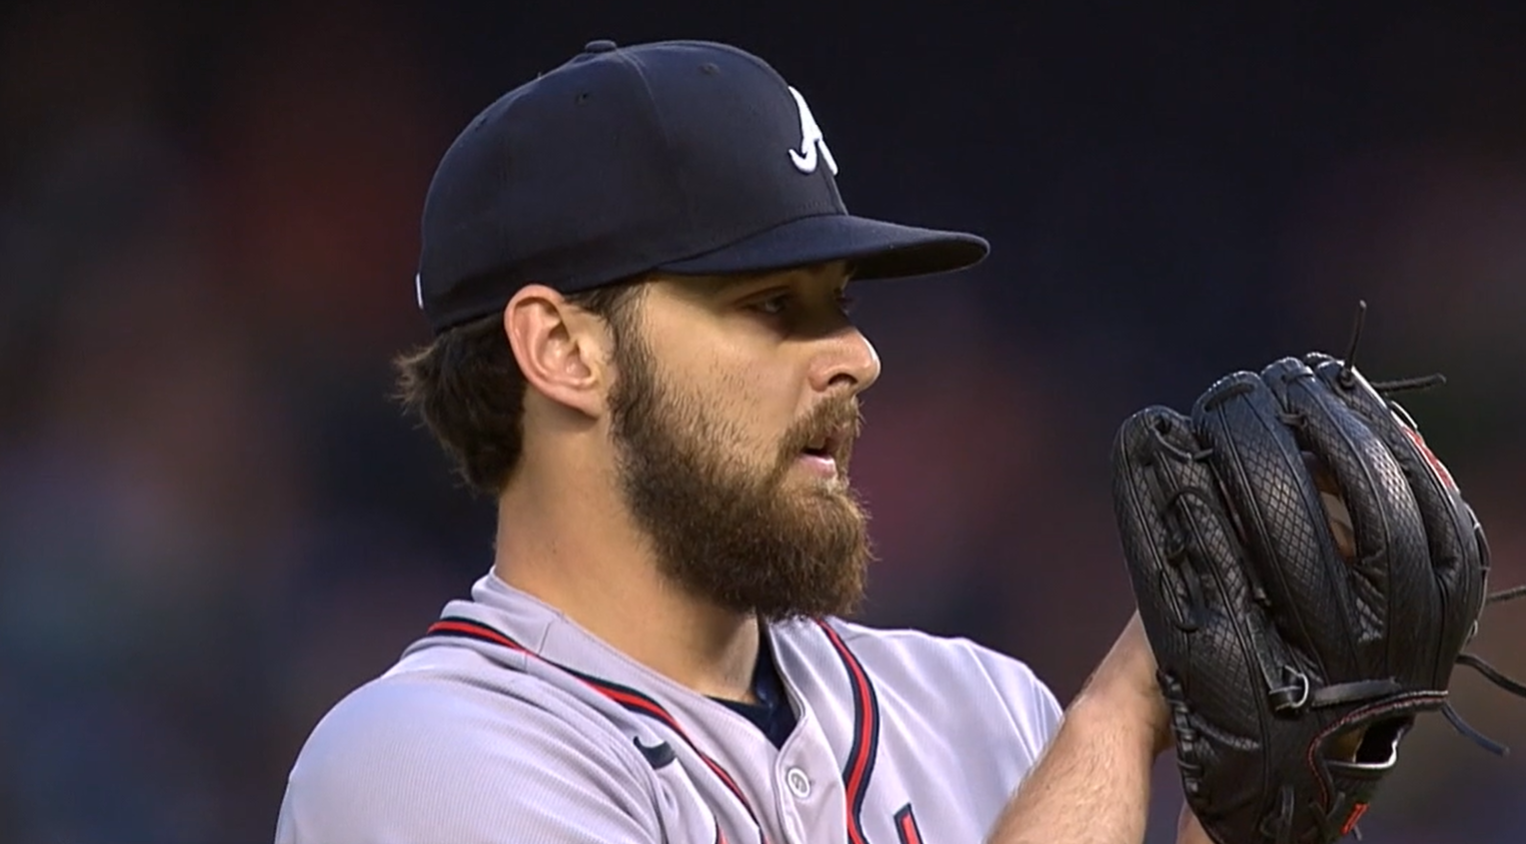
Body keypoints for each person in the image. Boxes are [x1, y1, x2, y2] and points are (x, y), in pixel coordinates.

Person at [274, 38, 1211, 844]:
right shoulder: (418, 763)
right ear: (563, 349)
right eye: (771, 304)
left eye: (839, 301)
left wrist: (1257, 804)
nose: (858, 355)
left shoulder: (981, 708)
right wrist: (1117, 722)